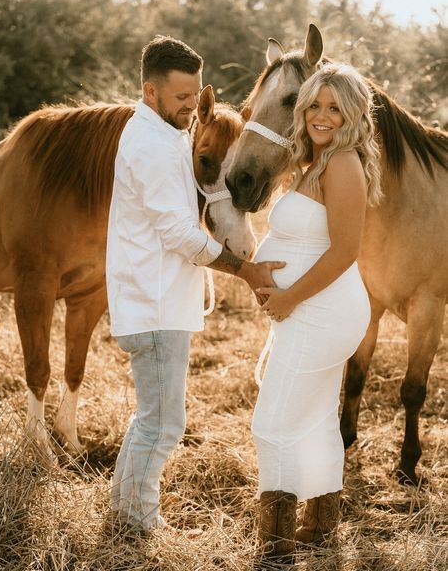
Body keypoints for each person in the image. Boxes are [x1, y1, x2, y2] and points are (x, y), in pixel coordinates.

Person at [106, 35, 284, 534]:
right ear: (150, 91)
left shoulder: (166, 135)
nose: (192, 106)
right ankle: (140, 524)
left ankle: (124, 512)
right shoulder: (154, 147)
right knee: (164, 425)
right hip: (155, 305)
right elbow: (181, 235)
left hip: (156, 300)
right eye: (181, 97)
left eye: (197, 94)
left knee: (149, 420)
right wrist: (244, 270)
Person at [252, 62, 383, 559]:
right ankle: (321, 524)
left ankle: (277, 545)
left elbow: (344, 251)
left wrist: (287, 296)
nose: (321, 116)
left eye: (334, 108)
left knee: (273, 421)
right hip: (311, 309)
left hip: (322, 311)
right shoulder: (315, 164)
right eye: (315, 105)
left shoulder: (344, 163)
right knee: (314, 415)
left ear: (352, 116)